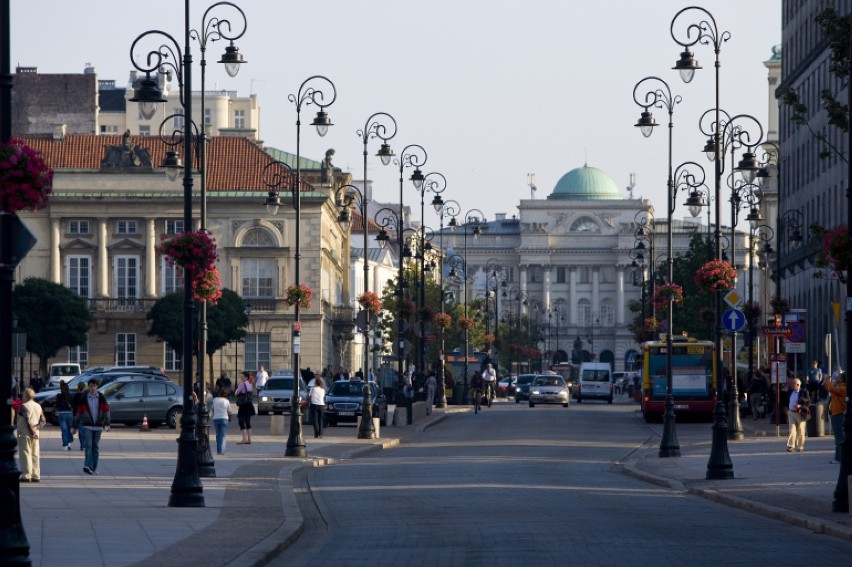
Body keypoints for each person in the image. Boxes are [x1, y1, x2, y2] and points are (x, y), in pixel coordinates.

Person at [71, 378, 111, 475]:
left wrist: (107, 423)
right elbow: (79, 413)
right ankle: (87, 466)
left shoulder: (101, 398)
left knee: (95, 447)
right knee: (88, 445)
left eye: (94, 386)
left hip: (98, 426)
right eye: (90, 386)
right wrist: (74, 426)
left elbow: (106, 412)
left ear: (97, 387)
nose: (92, 388)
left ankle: (93, 467)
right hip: (87, 425)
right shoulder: (84, 398)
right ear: (88, 387)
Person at [16, 388, 45, 482]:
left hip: (25, 433)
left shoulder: (24, 406)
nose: (22, 397)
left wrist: (31, 431)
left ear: (26, 396)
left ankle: (26, 475)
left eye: (24, 395)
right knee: (35, 454)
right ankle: (36, 475)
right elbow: (43, 421)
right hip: (36, 433)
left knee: (25, 453)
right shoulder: (38, 406)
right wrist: (36, 428)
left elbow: (27, 420)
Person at [824, 371, 847, 464]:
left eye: (838, 377)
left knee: (839, 438)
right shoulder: (839, 387)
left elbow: (830, 388)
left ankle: (839, 458)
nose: (836, 378)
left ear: (842, 379)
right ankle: (839, 457)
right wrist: (828, 382)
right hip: (835, 413)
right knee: (838, 437)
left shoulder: (842, 388)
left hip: (838, 414)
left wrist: (827, 380)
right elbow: (828, 388)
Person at [786, 378, 810, 453]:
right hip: (791, 412)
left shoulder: (803, 391)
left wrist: (800, 405)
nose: (792, 385)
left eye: (794, 384)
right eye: (792, 384)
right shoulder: (790, 391)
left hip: (800, 413)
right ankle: (791, 446)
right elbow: (787, 400)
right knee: (792, 430)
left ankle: (800, 446)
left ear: (798, 385)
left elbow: (808, 401)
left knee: (801, 430)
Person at [235, 372, 255, 444]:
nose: (241, 378)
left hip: (243, 405)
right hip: (249, 405)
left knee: (241, 422)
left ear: (246, 377)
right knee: (248, 422)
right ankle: (249, 439)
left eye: (242, 376)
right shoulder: (250, 384)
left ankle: (244, 439)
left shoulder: (242, 384)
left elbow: (236, 393)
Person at [56, 380, 75, 450]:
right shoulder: (70, 396)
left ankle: (65, 444)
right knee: (70, 428)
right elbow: (73, 405)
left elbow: (57, 405)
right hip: (69, 413)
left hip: (62, 413)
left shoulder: (59, 396)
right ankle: (69, 442)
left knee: (64, 430)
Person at [212, 387, 231, 455]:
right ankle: (221, 450)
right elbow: (229, 411)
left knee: (218, 435)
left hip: (216, 418)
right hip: (224, 418)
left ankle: (218, 449)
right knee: (222, 435)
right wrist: (230, 416)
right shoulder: (226, 401)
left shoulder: (215, 400)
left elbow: (212, 408)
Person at [73, 381, 87, 450]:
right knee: (85, 430)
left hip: (78, 414)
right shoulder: (86, 395)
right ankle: (84, 444)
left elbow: (73, 406)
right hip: (85, 414)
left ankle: (82, 445)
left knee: (81, 430)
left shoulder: (76, 396)